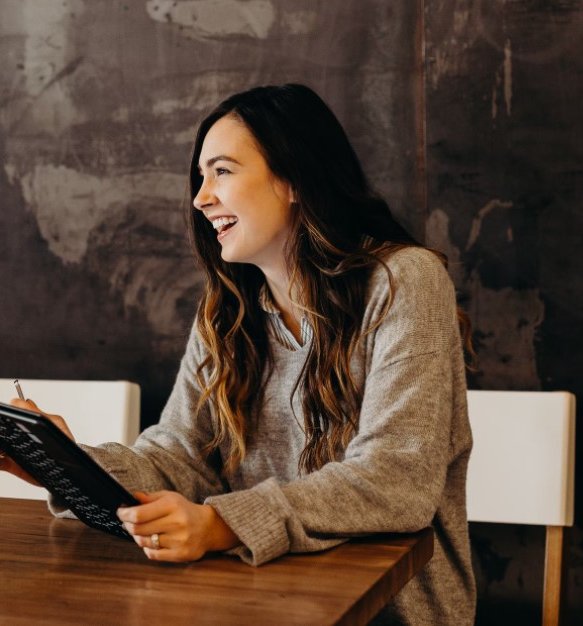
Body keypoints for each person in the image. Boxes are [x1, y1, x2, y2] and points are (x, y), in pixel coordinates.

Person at [1, 84, 476, 625]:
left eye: (222, 171)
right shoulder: (226, 313)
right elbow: (177, 459)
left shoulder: (404, 282)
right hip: (259, 600)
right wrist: (64, 464)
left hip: (388, 611)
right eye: (200, 178)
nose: (201, 198)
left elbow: (397, 480)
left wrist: (222, 525)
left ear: (294, 178)